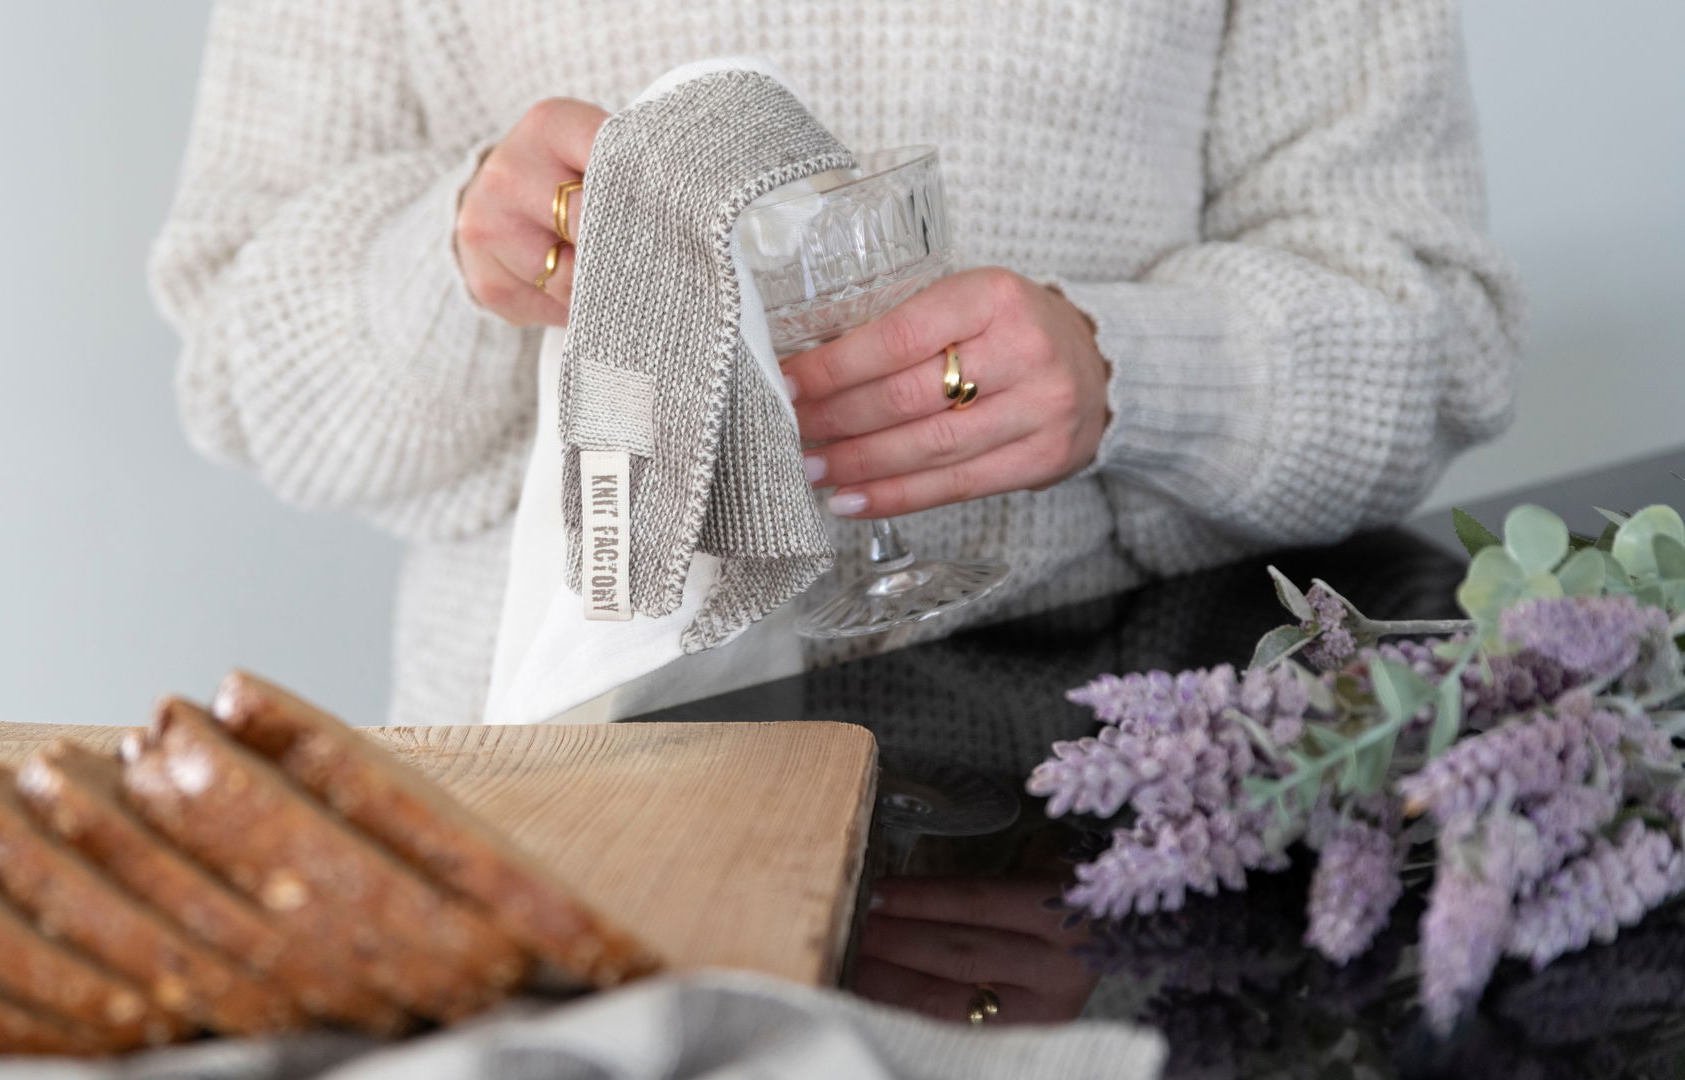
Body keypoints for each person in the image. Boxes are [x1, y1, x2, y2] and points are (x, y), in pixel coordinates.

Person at [150, 0, 1523, 726]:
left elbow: (1440, 340)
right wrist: (453, 254)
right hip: (568, 779)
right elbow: (240, 370)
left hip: (1120, 758)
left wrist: (1138, 374)